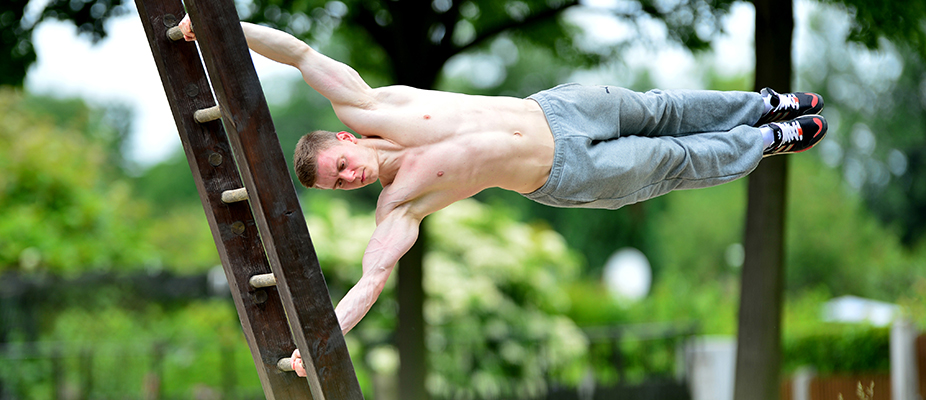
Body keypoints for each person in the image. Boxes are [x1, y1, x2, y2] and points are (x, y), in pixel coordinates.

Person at [178, 15, 826, 376]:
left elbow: (297, 51)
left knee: (663, 109)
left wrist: (212, 26)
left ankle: (765, 104)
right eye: (339, 183)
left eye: (341, 165)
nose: (349, 178)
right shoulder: (399, 205)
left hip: (559, 110)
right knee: (671, 158)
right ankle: (770, 139)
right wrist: (313, 344)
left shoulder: (373, 102)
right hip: (565, 174)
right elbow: (371, 281)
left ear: (345, 136)